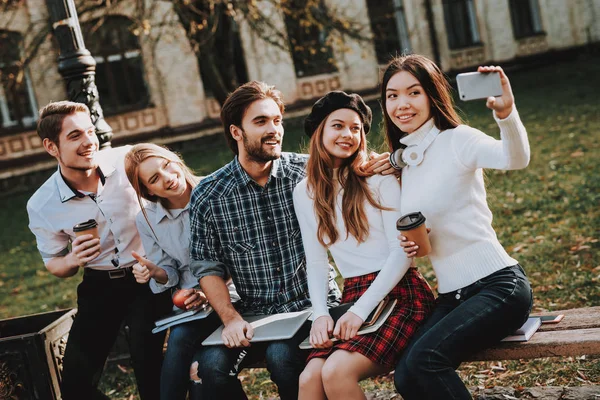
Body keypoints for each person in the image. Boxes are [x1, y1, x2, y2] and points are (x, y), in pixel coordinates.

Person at [189, 81, 393, 400]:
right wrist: (230, 319)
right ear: (236, 132)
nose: (274, 130)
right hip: (251, 311)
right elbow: (206, 266)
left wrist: (382, 162)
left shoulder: (309, 174)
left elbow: (354, 164)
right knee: (209, 369)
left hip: (309, 304)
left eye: (277, 120)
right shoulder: (210, 194)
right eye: (261, 122)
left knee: (283, 359)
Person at [380, 54, 533, 399]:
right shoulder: (408, 158)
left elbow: (515, 158)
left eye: (413, 92)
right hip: (452, 295)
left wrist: (505, 114)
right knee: (406, 375)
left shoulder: (459, 139)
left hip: (498, 285)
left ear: (432, 95)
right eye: (392, 95)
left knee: (427, 361)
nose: (402, 104)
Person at [292, 91, 435, 400]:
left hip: (400, 293)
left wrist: (359, 312)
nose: (348, 135)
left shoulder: (376, 178)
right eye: (338, 126)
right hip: (352, 295)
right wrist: (320, 314)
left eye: (356, 128)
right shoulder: (304, 191)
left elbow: (402, 253)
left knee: (336, 372)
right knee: (310, 379)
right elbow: (316, 261)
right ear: (319, 132)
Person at [26, 101, 171, 400]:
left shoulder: (128, 161)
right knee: (76, 387)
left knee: (149, 370)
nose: (89, 141)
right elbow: (54, 264)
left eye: (90, 131)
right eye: (75, 135)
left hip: (149, 279)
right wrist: (73, 259)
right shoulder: (42, 205)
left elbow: (177, 188)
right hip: (100, 284)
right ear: (51, 147)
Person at [124, 143, 239, 400]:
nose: (167, 178)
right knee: (197, 369)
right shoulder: (147, 219)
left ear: (175, 159)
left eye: (166, 165)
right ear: (147, 191)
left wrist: (208, 290)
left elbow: (240, 256)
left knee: (182, 343)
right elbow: (169, 273)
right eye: (154, 179)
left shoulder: (216, 191)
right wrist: (156, 272)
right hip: (191, 306)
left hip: (233, 292)